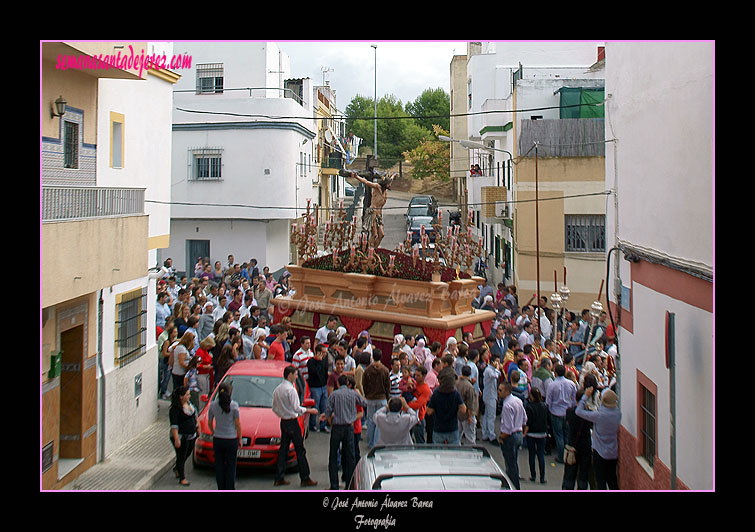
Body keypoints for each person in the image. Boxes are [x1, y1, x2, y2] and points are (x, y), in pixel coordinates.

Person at [272, 365, 319, 487]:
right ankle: (305, 477)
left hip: (284, 421)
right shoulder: (291, 390)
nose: (297, 376)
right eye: (295, 374)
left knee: (283, 449)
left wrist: (282, 414)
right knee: (300, 449)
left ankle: (279, 476)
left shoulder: (277, 389)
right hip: (292, 421)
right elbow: (296, 408)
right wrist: (309, 410)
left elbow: (275, 408)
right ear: (290, 375)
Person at [321, 373, 367, 490]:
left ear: (337, 383)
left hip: (337, 427)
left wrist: (325, 417)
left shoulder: (334, 395)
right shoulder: (353, 394)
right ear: (347, 383)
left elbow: (328, 409)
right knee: (350, 456)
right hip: (349, 427)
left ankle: (334, 485)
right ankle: (350, 485)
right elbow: (364, 403)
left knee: (333, 455)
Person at [576, 386, 621, 489]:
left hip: (599, 452)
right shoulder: (618, 414)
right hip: (613, 452)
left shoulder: (598, 415)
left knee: (600, 480)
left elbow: (578, 411)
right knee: (612, 479)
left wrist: (585, 396)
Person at [562, 375, 595, 490]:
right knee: (583, 475)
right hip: (585, 445)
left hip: (572, 445)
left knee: (569, 474)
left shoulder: (569, 412)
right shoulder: (589, 414)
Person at [207, 382, 242, 490]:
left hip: (218, 439)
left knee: (219, 466)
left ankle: (221, 487)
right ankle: (229, 488)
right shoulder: (234, 405)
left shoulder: (213, 406)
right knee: (231, 466)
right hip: (231, 439)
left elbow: (209, 422)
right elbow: (237, 424)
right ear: (230, 392)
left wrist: (214, 432)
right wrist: (239, 438)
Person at [350, 170, 396, 249]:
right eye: (389, 184)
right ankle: (369, 251)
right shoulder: (377, 187)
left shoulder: (385, 191)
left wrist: (394, 176)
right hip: (373, 213)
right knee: (374, 234)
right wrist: (356, 177)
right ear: (385, 184)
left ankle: (374, 250)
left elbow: (389, 179)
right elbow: (367, 182)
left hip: (379, 215)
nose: (390, 185)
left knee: (381, 235)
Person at [497, 382, 527, 490]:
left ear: (507, 391)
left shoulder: (507, 405)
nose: (498, 392)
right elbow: (524, 418)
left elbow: (508, 428)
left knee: (511, 464)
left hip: (511, 436)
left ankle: (513, 486)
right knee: (514, 461)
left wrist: (502, 437)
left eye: (500, 390)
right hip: (518, 433)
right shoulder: (518, 401)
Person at [545, 364, 577, 464]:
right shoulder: (571, 383)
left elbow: (548, 400)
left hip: (556, 412)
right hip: (567, 412)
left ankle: (560, 456)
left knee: (558, 435)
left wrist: (549, 410)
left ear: (556, 373)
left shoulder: (552, 384)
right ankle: (567, 455)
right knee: (567, 434)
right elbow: (574, 398)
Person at [426, 373, 467, 445]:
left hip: (438, 428)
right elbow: (463, 409)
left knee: (438, 454)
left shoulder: (436, 393)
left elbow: (429, 411)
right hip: (452, 427)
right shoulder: (455, 393)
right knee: (454, 452)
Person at [169, 385, 197, 486]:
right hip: (181, 437)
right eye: (187, 395)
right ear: (181, 397)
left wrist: (197, 427)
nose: (189, 396)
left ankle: (177, 468)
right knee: (181, 456)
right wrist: (177, 439)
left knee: (187, 453)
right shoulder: (175, 410)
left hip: (191, 435)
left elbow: (194, 416)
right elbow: (174, 426)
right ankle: (182, 477)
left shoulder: (190, 405)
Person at [362, 348, 390, 448]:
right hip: (382, 398)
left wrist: (367, 394)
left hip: (370, 398)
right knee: (379, 421)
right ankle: (376, 443)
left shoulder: (368, 370)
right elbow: (388, 386)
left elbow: (364, 384)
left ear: (372, 357)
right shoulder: (385, 370)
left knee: (370, 420)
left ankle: (369, 443)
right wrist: (387, 396)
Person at [524, 388, 549, 484]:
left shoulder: (529, 407)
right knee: (541, 455)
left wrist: (525, 431)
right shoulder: (544, 406)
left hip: (531, 432)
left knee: (532, 454)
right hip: (542, 432)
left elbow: (528, 421)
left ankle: (533, 475)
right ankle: (542, 477)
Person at [307, 343, 330, 432]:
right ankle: (312, 425)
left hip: (323, 386)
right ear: (318, 353)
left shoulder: (324, 361)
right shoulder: (311, 362)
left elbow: (324, 372)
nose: (325, 354)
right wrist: (318, 362)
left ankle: (323, 425)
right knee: (314, 407)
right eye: (323, 352)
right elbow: (316, 373)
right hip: (315, 387)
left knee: (324, 406)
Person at [406, 366, 431, 444]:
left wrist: (405, 406)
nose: (416, 377)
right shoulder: (413, 383)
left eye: (418, 375)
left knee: (419, 440)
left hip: (419, 417)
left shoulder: (426, 389)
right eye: (415, 375)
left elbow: (418, 404)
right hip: (409, 415)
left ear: (424, 376)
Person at [456, 365, 478, 444]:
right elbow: (470, 403)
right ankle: (472, 452)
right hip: (466, 415)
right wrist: (470, 416)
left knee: (457, 435)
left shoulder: (457, 383)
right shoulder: (469, 387)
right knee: (470, 437)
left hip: (458, 412)